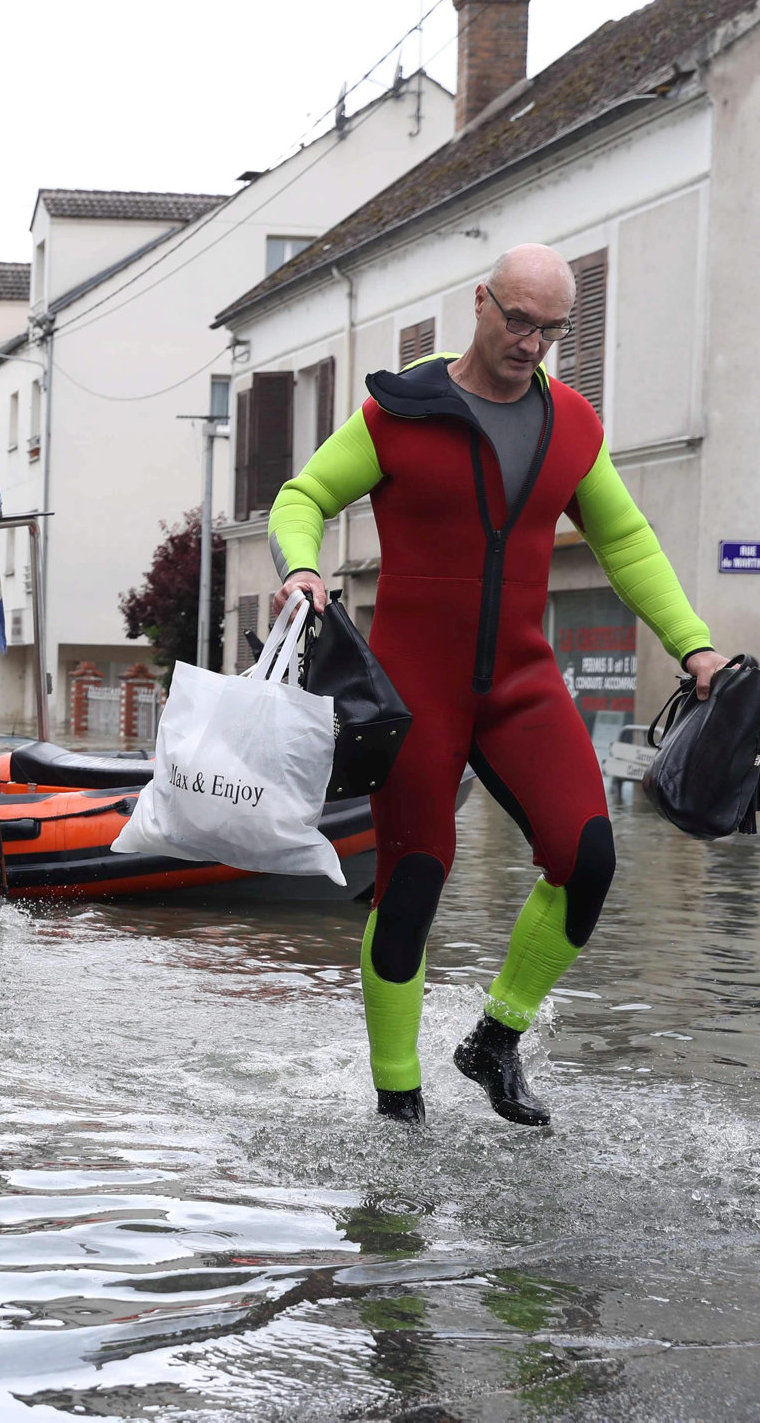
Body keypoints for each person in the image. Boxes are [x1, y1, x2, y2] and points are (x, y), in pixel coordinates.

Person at [270, 244, 725, 1127]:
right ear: (479, 303)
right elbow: (304, 495)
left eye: (551, 328)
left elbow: (626, 544)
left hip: (520, 684)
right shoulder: (400, 411)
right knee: (413, 885)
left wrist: (694, 647)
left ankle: (494, 1040)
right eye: (517, 319)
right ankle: (398, 1097)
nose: (532, 342)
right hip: (414, 694)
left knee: (587, 858)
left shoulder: (574, 427)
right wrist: (299, 567)